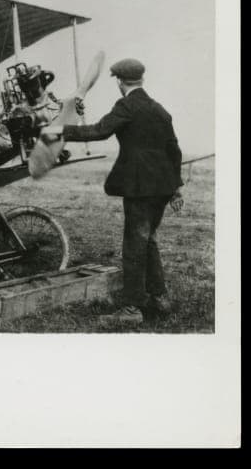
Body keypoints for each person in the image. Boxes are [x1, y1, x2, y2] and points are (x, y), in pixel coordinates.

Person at [40, 58, 183, 325]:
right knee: (148, 239)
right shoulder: (160, 110)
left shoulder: (126, 105)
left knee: (134, 245)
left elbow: (98, 131)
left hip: (141, 188)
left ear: (119, 82)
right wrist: (176, 188)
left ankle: (131, 310)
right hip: (163, 187)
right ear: (141, 79)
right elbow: (174, 150)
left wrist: (56, 129)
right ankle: (160, 299)